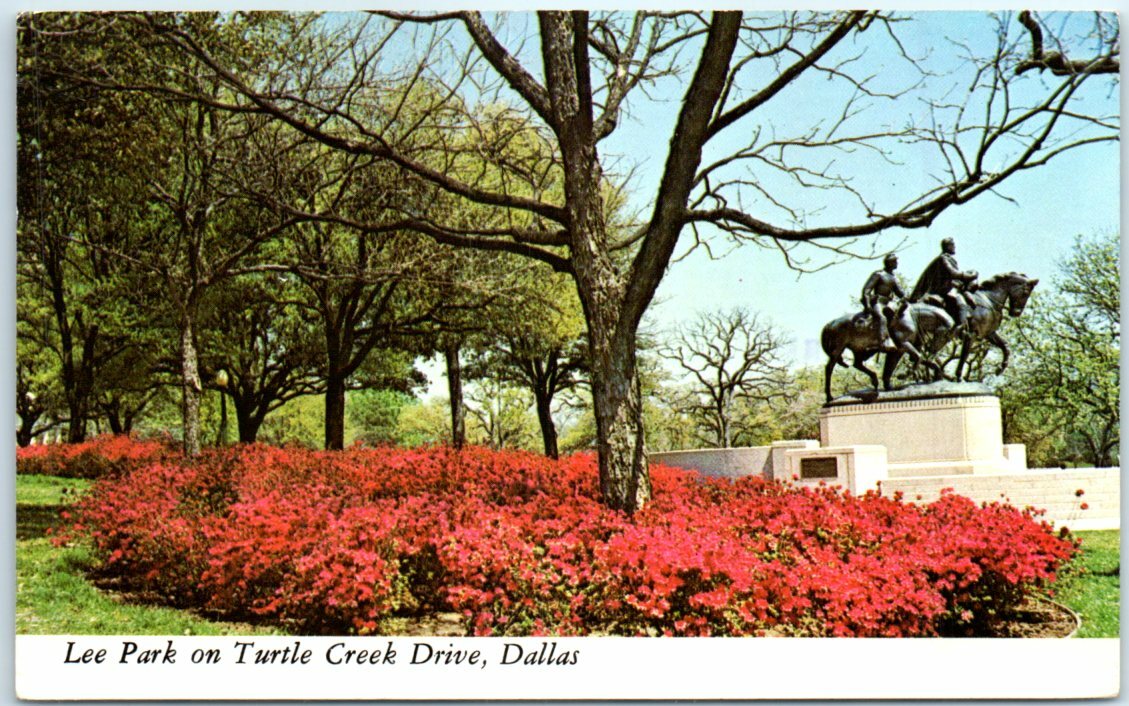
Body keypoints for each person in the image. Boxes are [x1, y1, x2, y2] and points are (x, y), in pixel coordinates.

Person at [910, 238, 978, 326]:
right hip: (943, 290)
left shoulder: (948, 258)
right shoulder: (943, 258)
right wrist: (972, 276)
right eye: (953, 245)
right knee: (961, 304)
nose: (954, 247)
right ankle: (962, 329)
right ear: (948, 246)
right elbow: (954, 274)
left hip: (949, 288)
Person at [859, 252, 905, 351]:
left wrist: (910, 297)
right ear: (890, 262)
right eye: (895, 261)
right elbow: (866, 290)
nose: (897, 263)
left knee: (898, 320)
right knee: (881, 318)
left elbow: (901, 293)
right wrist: (867, 305)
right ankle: (883, 342)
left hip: (888, 304)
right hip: (878, 303)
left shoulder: (894, 278)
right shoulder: (879, 274)